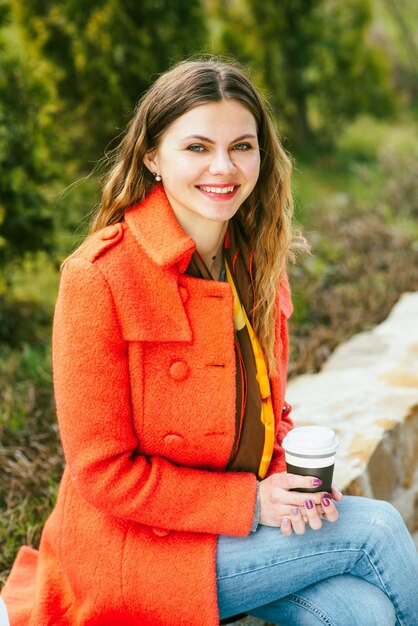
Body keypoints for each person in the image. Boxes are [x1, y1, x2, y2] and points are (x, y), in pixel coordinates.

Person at [1, 58, 417, 626]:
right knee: (377, 529)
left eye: (242, 146)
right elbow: (102, 472)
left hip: (230, 531)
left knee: (362, 613)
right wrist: (251, 504)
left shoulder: (255, 259)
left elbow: (270, 406)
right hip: (139, 548)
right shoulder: (99, 277)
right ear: (152, 156)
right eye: (197, 147)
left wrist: (283, 477)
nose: (223, 167)